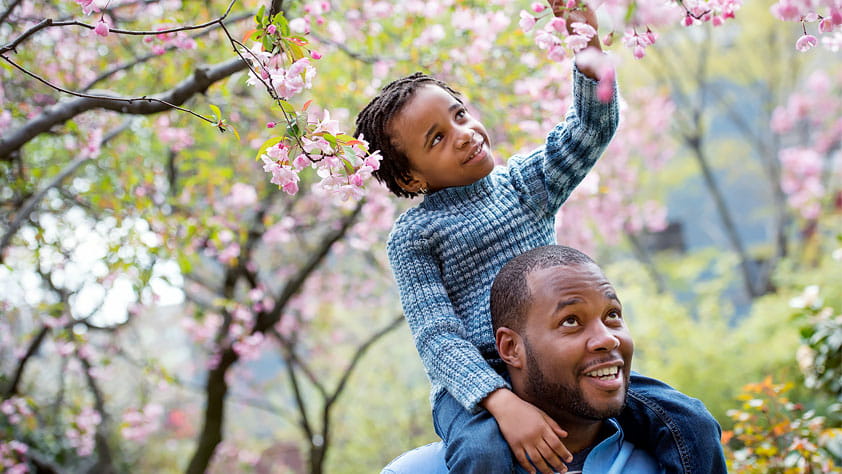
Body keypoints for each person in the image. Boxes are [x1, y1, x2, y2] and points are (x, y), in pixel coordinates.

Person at [356, 1, 726, 472]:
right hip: (477, 380)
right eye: (437, 138)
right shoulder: (414, 236)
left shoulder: (523, 185)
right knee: (483, 452)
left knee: (689, 421)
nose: (465, 134)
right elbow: (437, 335)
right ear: (409, 179)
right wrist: (499, 402)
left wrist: (586, 47)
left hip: (556, 359)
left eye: (460, 116)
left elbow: (592, 128)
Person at [384, 245, 680, 473]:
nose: (607, 338)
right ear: (511, 348)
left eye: (612, 315)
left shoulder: (671, 462)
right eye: (571, 321)